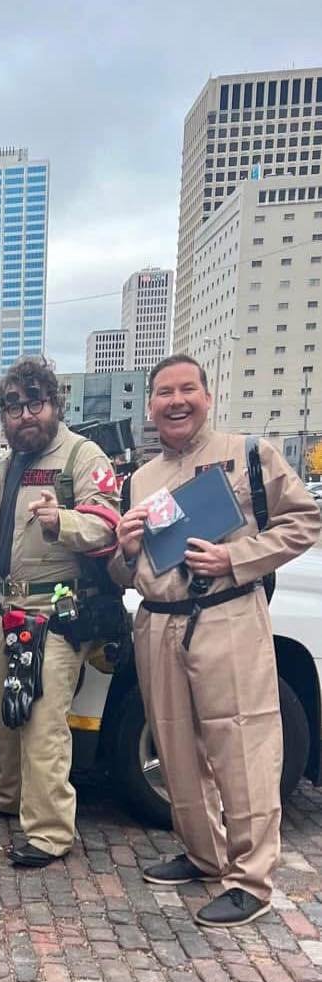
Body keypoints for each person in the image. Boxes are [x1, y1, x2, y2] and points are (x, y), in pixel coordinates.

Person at [109, 355, 320, 927]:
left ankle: (250, 880)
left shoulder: (250, 454)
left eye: (187, 390)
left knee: (242, 743)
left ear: (207, 394)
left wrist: (236, 557)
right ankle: (205, 855)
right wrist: (124, 552)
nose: (176, 402)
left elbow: (304, 521)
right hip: (157, 621)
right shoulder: (140, 480)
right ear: (150, 406)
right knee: (175, 747)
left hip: (227, 614)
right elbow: (126, 575)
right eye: (163, 393)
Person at [0, 356, 120, 868]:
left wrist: (62, 521)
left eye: (35, 403)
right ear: (3, 415)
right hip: (6, 609)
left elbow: (108, 526)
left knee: (44, 722)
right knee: (4, 716)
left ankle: (49, 833)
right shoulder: (7, 465)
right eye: (13, 406)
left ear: (55, 404)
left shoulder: (82, 456)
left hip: (56, 612)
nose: (25, 414)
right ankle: (5, 797)